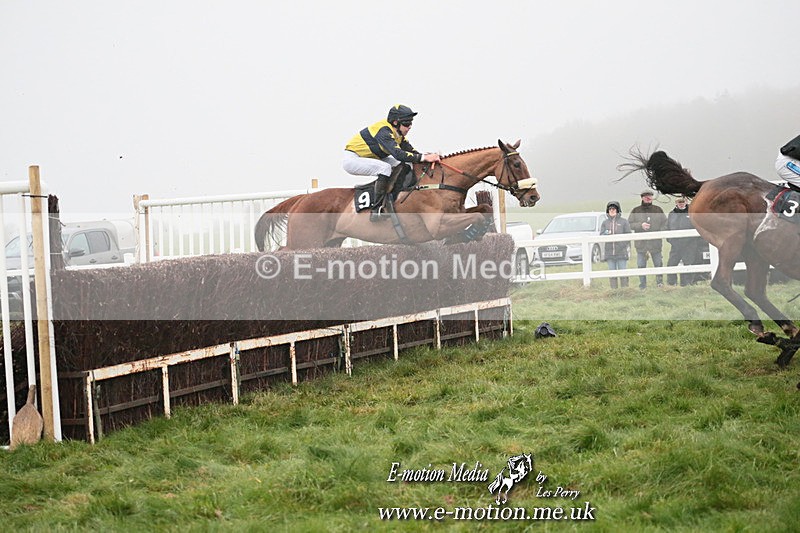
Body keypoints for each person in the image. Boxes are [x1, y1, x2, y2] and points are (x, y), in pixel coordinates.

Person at [343, 104, 441, 221]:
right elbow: (398, 154)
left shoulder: (398, 133)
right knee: (385, 168)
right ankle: (376, 210)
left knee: (404, 166)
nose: (409, 127)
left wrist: (427, 157)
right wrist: (423, 158)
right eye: (406, 124)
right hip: (353, 159)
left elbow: (411, 152)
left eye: (411, 123)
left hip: (372, 158)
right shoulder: (384, 132)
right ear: (395, 122)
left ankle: (393, 198)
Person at [628, 190, 667, 289]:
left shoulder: (658, 210)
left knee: (658, 264)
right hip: (641, 244)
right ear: (642, 198)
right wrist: (640, 225)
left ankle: (659, 283)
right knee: (641, 265)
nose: (648, 198)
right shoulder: (636, 210)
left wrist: (659, 231)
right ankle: (643, 286)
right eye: (645, 196)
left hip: (655, 243)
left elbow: (665, 223)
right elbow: (629, 224)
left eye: (650, 196)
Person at [666, 196, 702, 286]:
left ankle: (687, 284)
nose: (681, 203)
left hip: (689, 245)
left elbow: (698, 227)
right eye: (679, 202)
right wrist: (671, 240)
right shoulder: (672, 214)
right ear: (676, 203)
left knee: (688, 264)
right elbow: (667, 227)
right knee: (671, 264)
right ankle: (671, 284)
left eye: (682, 201)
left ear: (686, 201)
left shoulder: (692, 213)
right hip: (675, 245)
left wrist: (692, 241)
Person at [599, 200, 631, 289]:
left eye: (614, 209)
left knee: (623, 271)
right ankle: (614, 290)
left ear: (618, 210)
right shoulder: (605, 223)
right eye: (610, 209)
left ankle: (625, 290)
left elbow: (628, 235)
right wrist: (605, 234)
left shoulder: (624, 222)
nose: (612, 210)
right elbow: (601, 235)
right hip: (609, 253)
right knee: (612, 272)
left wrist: (621, 245)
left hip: (621, 252)